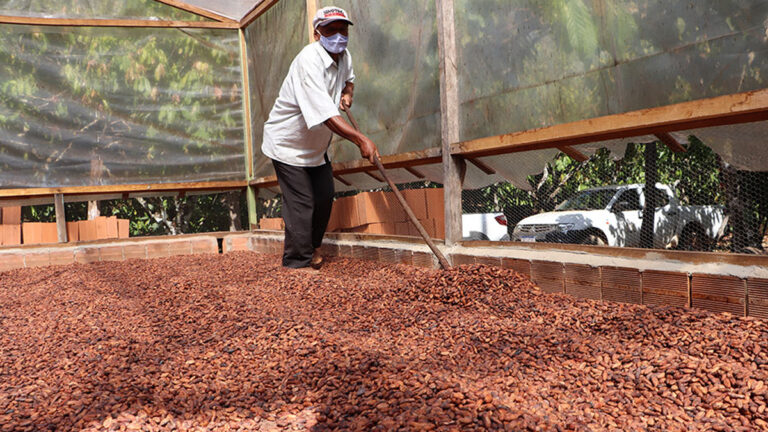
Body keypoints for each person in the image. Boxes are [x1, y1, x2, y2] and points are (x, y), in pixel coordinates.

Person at [262, 6, 379, 270]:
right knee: (301, 202)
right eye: (331, 30)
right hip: (287, 145)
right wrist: (362, 140)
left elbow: (349, 80)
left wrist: (347, 94)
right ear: (317, 34)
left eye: (343, 30)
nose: (338, 36)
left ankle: (312, 247)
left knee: (324, 197)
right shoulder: (308, 61)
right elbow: (325, 115)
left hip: (314, 147)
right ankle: (297, 263)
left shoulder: (344, 56)